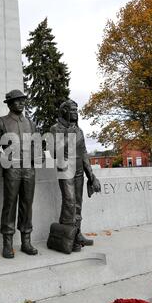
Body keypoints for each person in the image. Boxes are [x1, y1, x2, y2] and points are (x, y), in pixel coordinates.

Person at [0, 89, 40, 258]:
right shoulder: (1, 122)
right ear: (10, 103)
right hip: (11, 168)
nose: (21, 103)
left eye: (23, 100)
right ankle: (7, 243)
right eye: (17, 100)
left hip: (29, 168)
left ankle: (26, 241)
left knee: (27, 204)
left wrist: (36, 155)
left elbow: (37, 144)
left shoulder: (31, 123)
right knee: (10, 204)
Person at [50, 99, 101, 246]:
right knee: (69, 202)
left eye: (76, 111)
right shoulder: (56, 129)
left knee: (78, 204)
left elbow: (84, 154)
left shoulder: (79, 131)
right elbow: (54, 152)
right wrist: (69, 135)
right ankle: (66, 237)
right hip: (65, 170)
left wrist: (91, 176)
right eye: (72, 110)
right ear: (64, 112)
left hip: (79, 171)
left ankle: (76, 234)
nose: (75, 113)